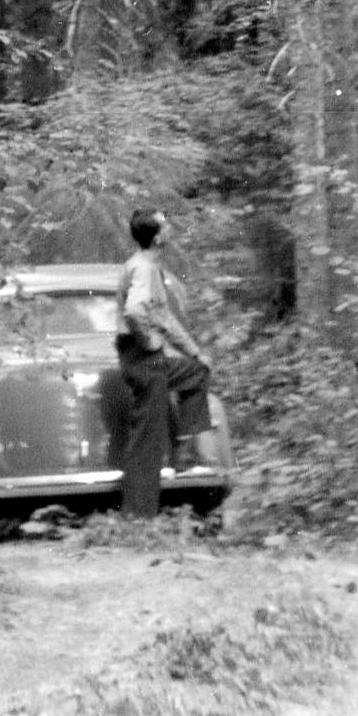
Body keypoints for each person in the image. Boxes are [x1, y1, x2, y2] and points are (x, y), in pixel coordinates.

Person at [112, 206, 209, 519]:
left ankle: (183, 450)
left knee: (197, 372)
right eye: (164, 225)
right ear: (156, 238)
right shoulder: (143, 268)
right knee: (147, 438)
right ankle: (138, 517)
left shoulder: (147, 266)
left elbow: (164, 318)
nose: (170, 229)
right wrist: (148, 342)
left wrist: (194, 352)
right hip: (142, 358)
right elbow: (134, 311)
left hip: (147, 359)